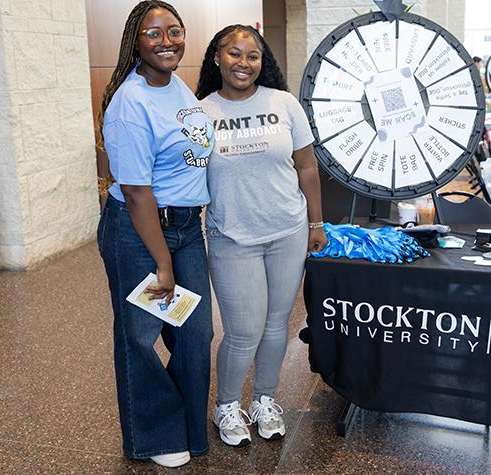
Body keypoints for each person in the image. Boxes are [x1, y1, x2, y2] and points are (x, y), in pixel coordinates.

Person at [195, 25, 327, 448]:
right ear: (217, 58)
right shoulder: (200, 112)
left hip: (288, 230)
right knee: (243, 331)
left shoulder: (283, 103)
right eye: (234, 54)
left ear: (262, 61)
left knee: (275, 325)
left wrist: (316, 224)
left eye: (252, 56)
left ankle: (264, 400)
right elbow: (187, 176)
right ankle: (227, 405)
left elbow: (306, 166)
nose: (243, 63)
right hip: (232, 237)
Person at [95, 0, 214, 468]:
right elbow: (136, 190)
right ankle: (154, 437)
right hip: (139, 231)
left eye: (174, 31)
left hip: (185, 226)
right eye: (154, 33)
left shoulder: (177, 85)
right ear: (135, 41)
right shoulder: (131, 102)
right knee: (140, 335)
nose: (167, 41)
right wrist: (162, 261)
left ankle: (187, 427)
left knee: (195, 333)